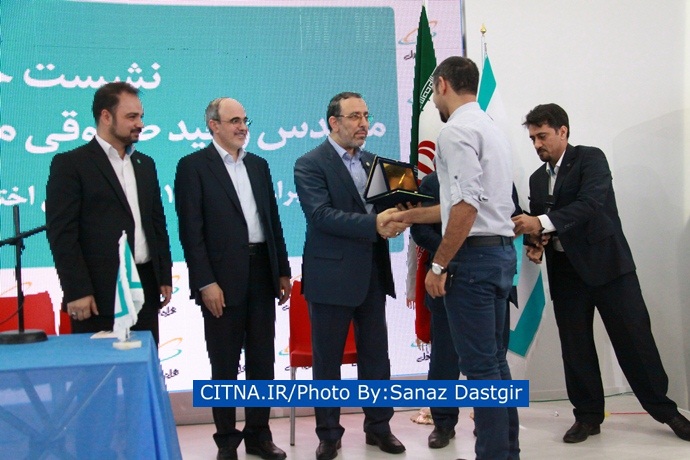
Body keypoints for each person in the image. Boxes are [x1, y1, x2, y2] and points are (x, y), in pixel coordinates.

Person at [512, 103, 690, 444]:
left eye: (543, 136)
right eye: (533, 138)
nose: (537, 144)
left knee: (635, 341)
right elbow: (545, 225)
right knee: (575, 347)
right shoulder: (537, 178)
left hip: (609, 268)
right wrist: (537, 243)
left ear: (563, 131)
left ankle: (665, 411)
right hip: (566, 273)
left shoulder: (591, 159)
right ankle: (587, 417)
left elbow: (589, 205)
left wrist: (540, 222)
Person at [394, 56, 519, 459]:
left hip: (473, 263)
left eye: (434, 92)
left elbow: (465, 206)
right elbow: (461, 205)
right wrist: (409, 215)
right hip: (500, 256)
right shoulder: (491, 128)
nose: (433, 102)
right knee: (495, 366)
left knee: (482, 372)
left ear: (443, 85)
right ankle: (507, 452)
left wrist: (438, 265)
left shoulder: (455, 131)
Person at [293, 92, 409, 460]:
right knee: (327, 363)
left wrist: (405, 210)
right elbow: (321, 216)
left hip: (372, 274)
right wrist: (376, 223)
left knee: (377, 358)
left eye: (366, 115)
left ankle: (379, 428)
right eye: (355, 116)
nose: (364, 123)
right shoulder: (309, 163)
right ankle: (329, 435)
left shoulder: (376, 163)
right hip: (330, 277)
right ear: (334, 122)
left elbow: (396, 205)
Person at [174, 97, 291, 460]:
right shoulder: (193, 167)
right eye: (234, 121)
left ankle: (259, 436)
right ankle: (226, 441)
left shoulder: (259, 165)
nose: (242, 127)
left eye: (245, 120)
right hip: (220, 281)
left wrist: (282, 269)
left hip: (262, 274)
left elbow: (272, 220)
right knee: (224, 365)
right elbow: (191, 232)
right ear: (214, 125)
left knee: (262, 362)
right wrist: (205, 282)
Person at [46, 82, 172, 345]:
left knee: (142, 364)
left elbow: (156, 224)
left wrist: (164, 276)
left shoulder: (145, 164)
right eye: (131, 117)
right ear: (106, 116)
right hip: (98, 296)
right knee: (99, 369)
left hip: (145, 290)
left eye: (141, 116)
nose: (140, 124)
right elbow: (63, 235)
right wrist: (77, 290)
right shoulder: (71, 164)